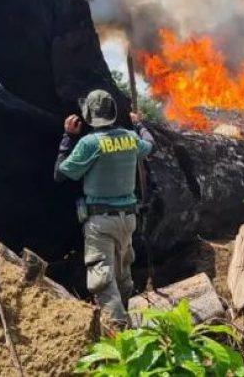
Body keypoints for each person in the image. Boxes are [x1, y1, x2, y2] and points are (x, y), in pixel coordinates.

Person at [54, 89, 154, 328]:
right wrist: (140, 125)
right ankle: (130, 324)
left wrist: (68, 137)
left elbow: (60, 173)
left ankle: (119, 334)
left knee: (102, 280)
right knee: (123, 276)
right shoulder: (130, 138)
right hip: (128, 219)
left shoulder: (89, 143)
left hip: (101, 222)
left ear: (88, 115)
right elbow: (150, 146)